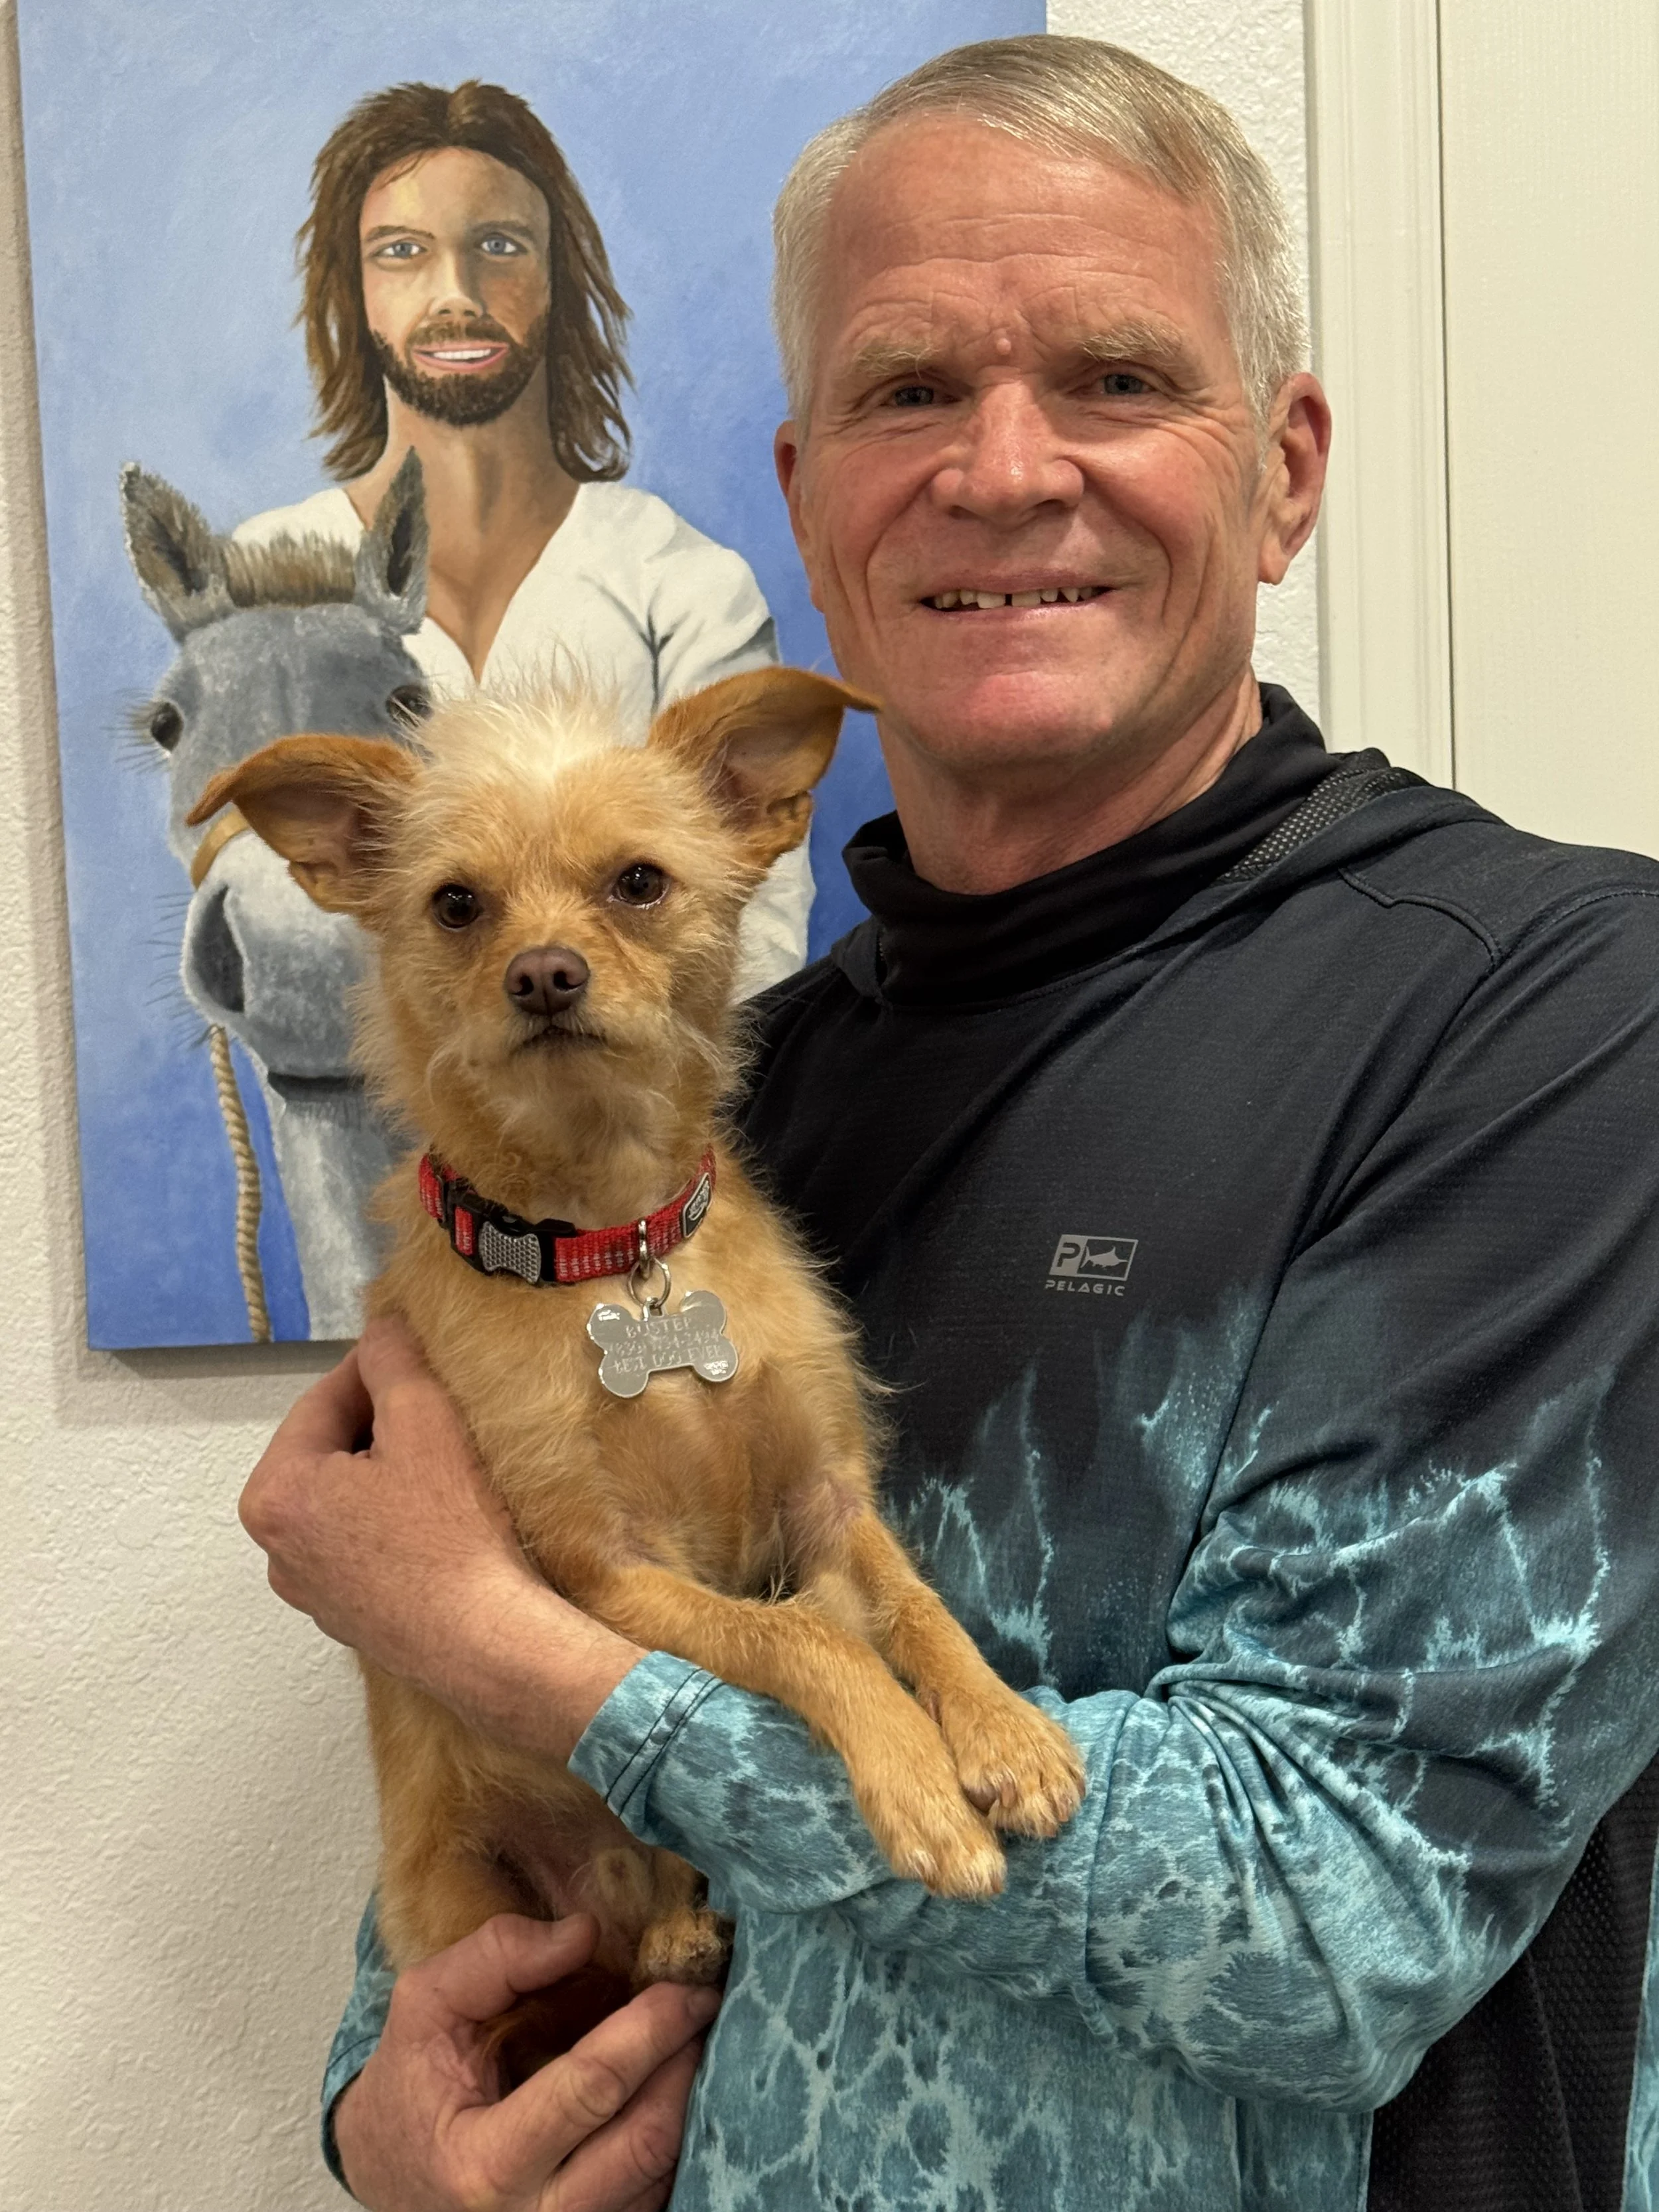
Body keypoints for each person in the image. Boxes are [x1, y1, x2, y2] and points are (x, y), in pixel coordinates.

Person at [238, 37, 1659, 2212]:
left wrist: (531, 1650)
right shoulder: (712, 1095)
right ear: (805, 497)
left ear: (1285, 467)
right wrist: (387, 2105)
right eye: (912, 392)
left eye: (1112, 376)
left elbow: (1334, 1911)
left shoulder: (1545, 1013)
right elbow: (466, 1722)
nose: (1005, 471)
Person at [237, 78, 810, 997]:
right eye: (402, 253)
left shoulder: (682, 583)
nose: (455, 293)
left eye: (498, 247)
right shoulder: (263, 587)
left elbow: (759, 943)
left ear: (559, 277)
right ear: (353, 292)